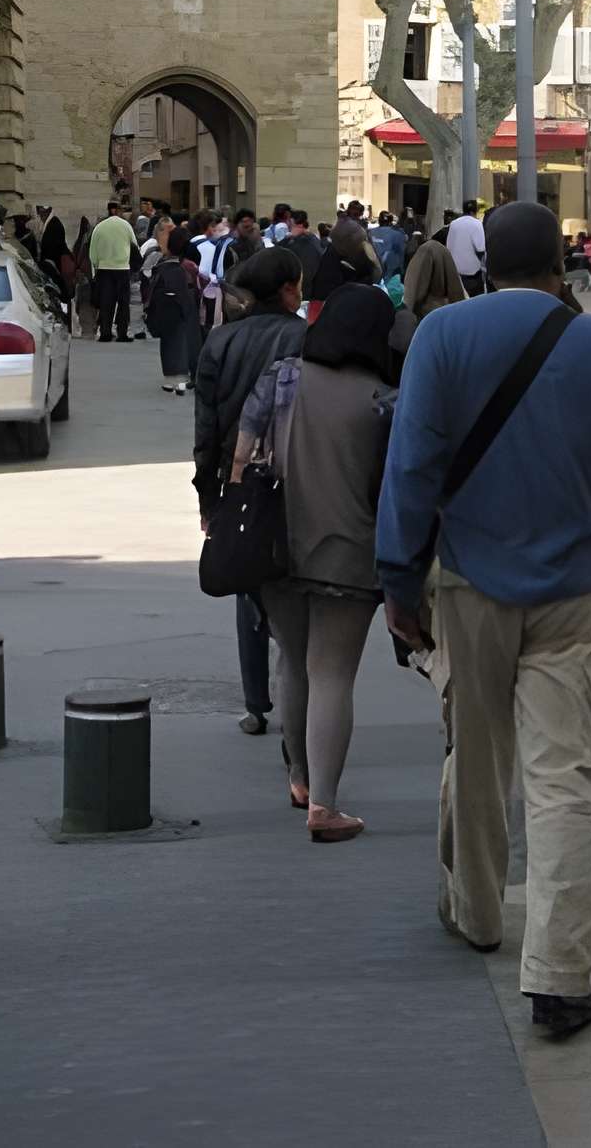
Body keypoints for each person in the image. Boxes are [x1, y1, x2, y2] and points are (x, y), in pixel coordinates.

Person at [377, 202, 591, 1043]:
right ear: (560, 265)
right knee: (567, 781)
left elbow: (412, 466)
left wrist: (397, 579)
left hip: (469, 582)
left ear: (485, 261)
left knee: (477, 751)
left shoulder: (443, 339)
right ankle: (561, 977)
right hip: (572, 586)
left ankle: (480, 913)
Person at [236, 266, 396, 841]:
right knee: (332, 674)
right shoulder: (383, 399)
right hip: (350, 552)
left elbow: (242, 454)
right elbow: (394, 486)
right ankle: (325, 806)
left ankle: (299, 775)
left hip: (276, 545)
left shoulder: (281, 377)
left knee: (293, 662)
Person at [193, 246, 305, 734]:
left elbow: (206, 426)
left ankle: (256, 702)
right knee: (290, 581)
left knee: (247, 582)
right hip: (293, 474)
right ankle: (295, 683)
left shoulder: (219, 342)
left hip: (235, 478)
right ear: (285, 290)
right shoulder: (303, 336)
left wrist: (207, 497)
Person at [143, 222, 203, 394]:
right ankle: (181, 379)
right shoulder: (187, 267)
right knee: (183, 342)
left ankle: (170, 379)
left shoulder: (162, 264)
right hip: (182, 309)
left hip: (164, 310)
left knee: (169, 343)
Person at [88, 200, 138, 344]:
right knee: (123, 303)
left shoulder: (99, 227)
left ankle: (105, 333)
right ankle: (122, 333)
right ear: (119, 210)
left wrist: (97, 266)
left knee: (106, 302)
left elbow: (92, 252)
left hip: (104, 269)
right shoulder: (126, 225)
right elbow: (134, 246)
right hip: (122, 268)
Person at [447, 200, 488, 295]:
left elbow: (448, 246)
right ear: (474, 211)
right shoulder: (477, 223)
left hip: (455, 273)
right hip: (473, 274)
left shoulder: (453, 224)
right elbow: (481, 248)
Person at [284, 210, 324, 297]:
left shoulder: (301, 242)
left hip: (304, 291)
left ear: (292, 222)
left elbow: (306, 273)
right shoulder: (312, 239)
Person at [368, 210, 408, 281]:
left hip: (373, 272)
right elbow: (402, 253)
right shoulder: (398, 234)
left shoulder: (370, 232)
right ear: (391, 222)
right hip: (391, 274)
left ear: (379, 221)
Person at [35, 205, 68, 278]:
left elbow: (53, 250)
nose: (40, 216)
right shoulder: (51, 223)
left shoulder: (54, 225)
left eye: (42, 213)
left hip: (54, 266)